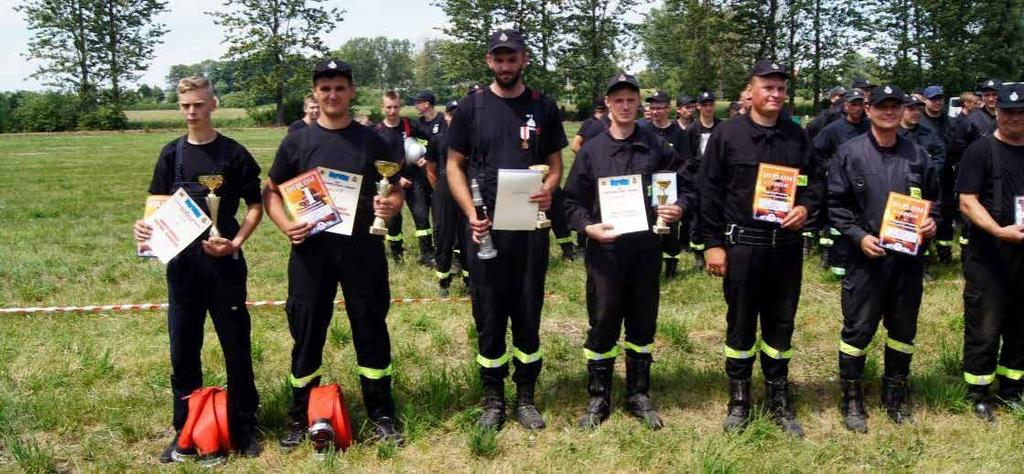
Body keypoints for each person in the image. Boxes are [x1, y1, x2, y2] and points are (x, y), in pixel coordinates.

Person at [263, 59, 406, 450]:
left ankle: (382, 413)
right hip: (311, 252)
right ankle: (299, 415)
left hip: (363, 251)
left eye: (339, 87)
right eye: (324, 88)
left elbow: (395, 187)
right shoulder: (298, 140)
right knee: (307, 332)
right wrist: (284, 225)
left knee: (371, 328)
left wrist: (392, 205)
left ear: (351, 91)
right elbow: (272, 190)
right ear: (315, 94)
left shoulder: (373, 140)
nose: (332, 95)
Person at [134, 75, 263, 463]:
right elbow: (154, 207)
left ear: (213, 105)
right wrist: (141, 229)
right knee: (183, 351)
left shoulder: (234, 153)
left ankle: (243, 425)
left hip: (225, 268)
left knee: (236, 349)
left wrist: (236, 242)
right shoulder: (170, 154)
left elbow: (255, 205)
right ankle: (186, 429)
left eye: (199, 104)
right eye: (186, 105)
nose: (192, 112)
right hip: (183, 270)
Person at [445, 29, 567, 431]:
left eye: (511, 58)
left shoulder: (543, 106)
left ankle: (527, 398)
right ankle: (493, 399)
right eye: (498, 59)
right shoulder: (472, 106)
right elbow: (453, 166)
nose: (505, 66)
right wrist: (469, 212)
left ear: (524, 60)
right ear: (489, 61)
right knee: (489, 312)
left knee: (528, 311)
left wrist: (549, 191)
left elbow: (554, 162)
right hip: (485, 229)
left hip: (529, 229)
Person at [700, 59, 824, 437]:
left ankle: (778, 397)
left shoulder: (796, 135)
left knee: (781, 323)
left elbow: (816, 181)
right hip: (743, 247)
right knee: (740, 324)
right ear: (750, 91)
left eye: (781, 89)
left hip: (785, 248)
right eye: (768, 87)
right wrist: (713, 245)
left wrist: (805, 207)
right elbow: (709, 192)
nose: (775, 94)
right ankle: (739, 400)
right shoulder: (728, 134)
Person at [564, 73, 687, 430]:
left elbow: (685, 182)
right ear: (608, 104)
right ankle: (599, 395)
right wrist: (587, 227)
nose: (625, 106)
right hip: (606, 252)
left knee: (642, 321)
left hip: (646, 249)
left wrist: (677, 206)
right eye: (618, 100)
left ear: (640, 104)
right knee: (603, 321)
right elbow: (571, 201)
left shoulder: (657, 146)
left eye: (632, 100)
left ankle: (638, 392)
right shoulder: (592, 151)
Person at [828, 84, 941, 433]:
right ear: (868, 109)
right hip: (866, 260)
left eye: (895, 106)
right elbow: (835, 205)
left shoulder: (918, 156)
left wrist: (932, 221)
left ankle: (895, 395)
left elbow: (936, 200)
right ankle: (851, 398)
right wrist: (859, 238)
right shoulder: (849, 153)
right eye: (882, 106)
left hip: (907, 262)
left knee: (903, 330)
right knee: (857, 330)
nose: (889, 111)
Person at [955, 82, 1024, 422]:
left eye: (1020, 112)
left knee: (1021, 325)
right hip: (990, 253)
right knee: (985, 325)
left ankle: (1012, 387)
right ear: (997, 111)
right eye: (1008, 112)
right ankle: (978, 391)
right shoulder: (980, 151)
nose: (1014, 118)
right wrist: (998, 230)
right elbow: (967, 200)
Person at [814, 89, 870, 276]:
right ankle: (833, 260)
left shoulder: (870, 127)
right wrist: (831, 166)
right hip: (841, 183)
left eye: (860, 104)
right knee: (838, 223)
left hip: (864, 184)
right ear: (845, 106)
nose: (857, 108)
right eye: (853, 104)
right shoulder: (833, 129)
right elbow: (816, 152)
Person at [376, 90, 434, 266]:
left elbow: (432, 138)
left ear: (400, 107)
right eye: (388, 107)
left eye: (395, 107)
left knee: (422, 216)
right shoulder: (377, 131)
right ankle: (397, 254)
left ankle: (426, 254)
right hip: (390, 182)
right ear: (382, 108)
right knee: (394, 219)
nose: (392, 111)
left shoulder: (409, 125)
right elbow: (374, 160)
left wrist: (428, 155)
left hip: (414, 179)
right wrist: (397, 178)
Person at [645, 90, 692, 278]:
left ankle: (671, 265)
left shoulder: (679, 133)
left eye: (660, 108)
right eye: (653, 108)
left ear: (668, 109)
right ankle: (650, 264)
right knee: (649, 225)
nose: (656, 112)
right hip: (649, 185)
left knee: (671, 227)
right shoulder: (644, 131)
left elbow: (686, 161)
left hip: (671, 186)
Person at [426, 100, 469, 296]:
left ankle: (470, 280)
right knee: (443, 235)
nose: (453, 117)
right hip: (444, 187)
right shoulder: (437, 139)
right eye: (450, 114)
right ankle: (443, 280)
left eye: (457, 114)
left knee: (468, 236)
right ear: (446, 116)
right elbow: (431, 169)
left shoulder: (472, 138)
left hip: (466, 189)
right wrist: (440, 190)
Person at [681, 91, 722, 271]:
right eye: (704, 104)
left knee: (719, 214)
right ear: (698, 106)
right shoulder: (691, 130)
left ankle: (720, 249)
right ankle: (699, 255)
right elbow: (686, 157)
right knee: (697, 217)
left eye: (710, 104)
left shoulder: (722, 127)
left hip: (719, 178)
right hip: (697, 178)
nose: (708, 108)